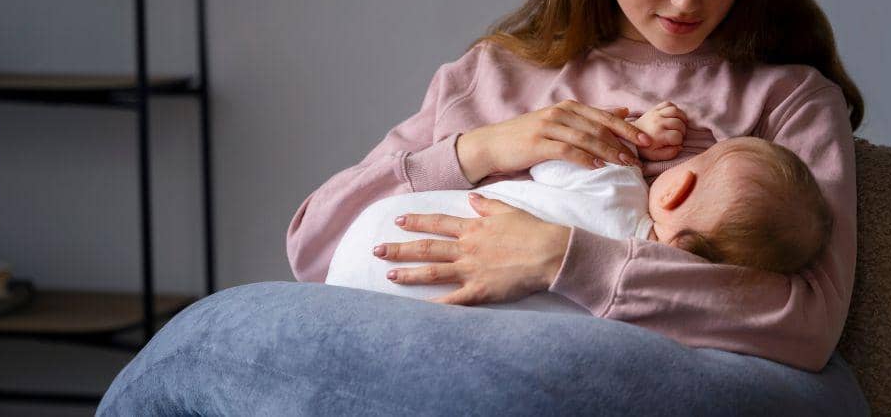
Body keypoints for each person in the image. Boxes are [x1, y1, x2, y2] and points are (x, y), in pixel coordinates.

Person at [286, 0, 863, 373]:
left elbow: (808, 324)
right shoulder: (492, 74)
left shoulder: (790, 101)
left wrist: (559, 259)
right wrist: (482, 149)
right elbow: (312, 247)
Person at [324, 102, 834, 315]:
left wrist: (633, 138)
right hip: (431, 313)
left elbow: (560, 154)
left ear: (675, 190)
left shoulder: (618, 186)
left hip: (369, 248)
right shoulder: (654, 299)